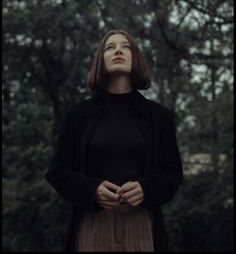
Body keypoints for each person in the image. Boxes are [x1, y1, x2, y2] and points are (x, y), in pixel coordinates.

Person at [45, 29, 183, 252]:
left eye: (125, 46)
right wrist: (92, 190)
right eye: (110, 47)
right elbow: (57, 172)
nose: (118, 50)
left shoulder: (159, 117)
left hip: (142, 225)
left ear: (135, 58)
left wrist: (146, 189)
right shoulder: (78, 115)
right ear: (101, 60)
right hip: (92, 225)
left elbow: (173, 173)